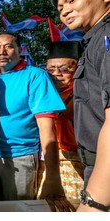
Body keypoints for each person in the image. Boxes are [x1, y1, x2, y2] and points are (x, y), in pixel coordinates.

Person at [0, 31, 74, 211]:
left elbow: (46, 127)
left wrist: (53, 176)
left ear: (20, 50)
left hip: (21, 157)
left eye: (8, 46)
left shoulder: (35, 76)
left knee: (18, 213)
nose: (2, 52)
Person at [51, 0, 110, 212]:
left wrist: (95, 201)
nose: (64, 10)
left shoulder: (106, 37)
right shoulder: (95, 40)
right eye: (60, 7)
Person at [36, 41, 85, 200]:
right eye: (51, 69)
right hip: (44, 162)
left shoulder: (86, 94)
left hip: (76, 162)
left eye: (64, 69)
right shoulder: (40, 92)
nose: (57, 73)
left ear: (77, 68)